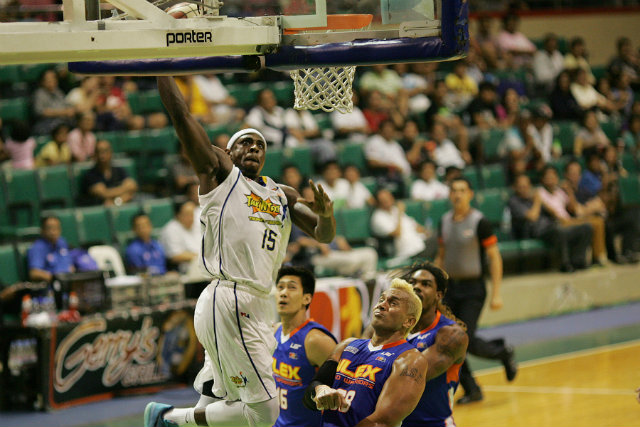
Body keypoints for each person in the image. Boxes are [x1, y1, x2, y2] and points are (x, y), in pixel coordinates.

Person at [144, 76, 336, 427]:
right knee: (266, 411)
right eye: (245, 143)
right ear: (228, 152)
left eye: (260, 145)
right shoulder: (220, 175)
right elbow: (183, 117)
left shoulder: (283, 194)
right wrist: (163, 66)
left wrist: (326, 214)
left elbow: (323, 235)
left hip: (261, 302)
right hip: (229, 295)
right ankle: (169, 418)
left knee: (223, 396)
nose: (254, 148)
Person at [435, 177, 516, 404]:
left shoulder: (480, 222)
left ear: (470, 194)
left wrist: (497, 292)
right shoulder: (443, 221)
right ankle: (472, 389)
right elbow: (441, 256)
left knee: (463, 340)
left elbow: (494, 257)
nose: (458, 194)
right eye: (454, 190)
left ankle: (502, 352)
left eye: (462, 190)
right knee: (446, 342)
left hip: (473, 290)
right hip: (450, 289)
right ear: (449, 195)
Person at [303, 278, 427, 427]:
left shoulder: (410, 359)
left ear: (409, 322)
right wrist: (320, 390)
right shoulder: (346, 345)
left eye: (393, 303)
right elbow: (310, 395)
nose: (382, 305)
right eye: (381, 299)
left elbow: (382, 422)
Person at [400, 262, 468, 427]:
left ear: (438, 295)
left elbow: (410, 377)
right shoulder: (392, 328)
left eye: (425, 284)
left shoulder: (452, 335)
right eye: (413, 283)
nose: (417, 287)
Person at [272, 266, 337, 427]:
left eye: (292, 287)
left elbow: (345, 390)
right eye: (280, 287)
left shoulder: (315, 340)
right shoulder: (272, 331)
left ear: (306, 298)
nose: (283, 293)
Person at [508, 174, 592, 272]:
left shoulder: (533, 198)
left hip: (551, 227)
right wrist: (538, 201)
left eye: (526, 186)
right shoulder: (514, 201)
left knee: (586, 228)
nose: (524, 189)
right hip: (535, 232)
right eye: (521, 187)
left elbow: (553, 213)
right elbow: (532, 217)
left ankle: (578, 261)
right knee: (559, 231)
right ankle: (565, 264)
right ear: (515, 188)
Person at [27, 216, 74, 282]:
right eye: (49, 228)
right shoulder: (37, 247)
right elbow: (34, 273)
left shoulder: (62, 242)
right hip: (51, 287)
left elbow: (70, 266)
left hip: (68, 283)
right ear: (42, 230)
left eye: (56, 228)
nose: (53, 232)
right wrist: (55, 279)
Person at [159, 200, 201, 274]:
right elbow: (175, 256)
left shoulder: (197, 226)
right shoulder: (171, 229)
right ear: (177, 215)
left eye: (192, 214)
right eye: (187, 214)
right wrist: (200, 257)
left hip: (201, 265)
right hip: (181, 269)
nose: (191, 217)